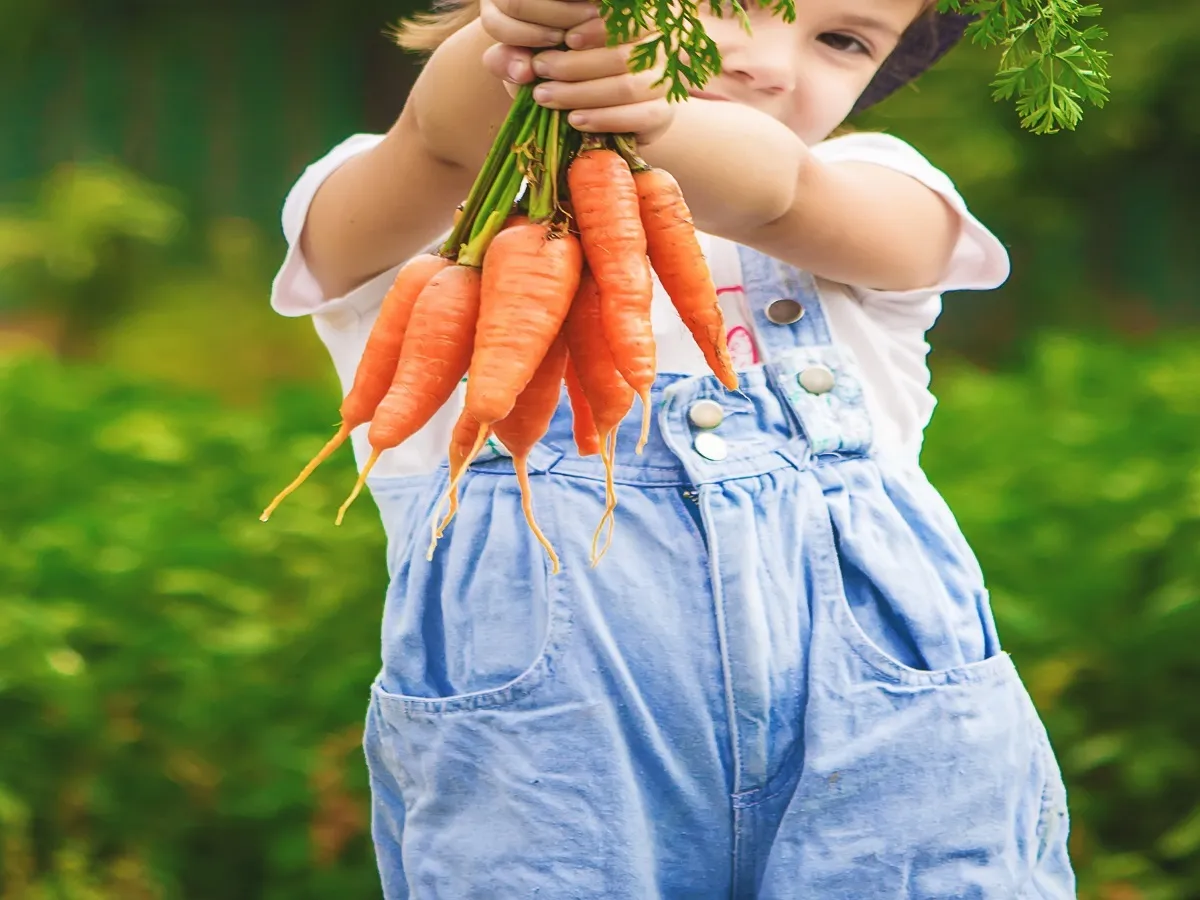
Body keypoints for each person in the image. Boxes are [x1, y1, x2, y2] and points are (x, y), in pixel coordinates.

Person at [269, 0, 1075, 895]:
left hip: (887, 745)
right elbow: (442, 130)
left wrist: (657, 122)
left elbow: (782, 192)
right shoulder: (418, 201)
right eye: (729, 5)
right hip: (553, 765)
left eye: (842, 41)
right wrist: (528, 40)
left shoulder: (867, 187)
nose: (771, 62)